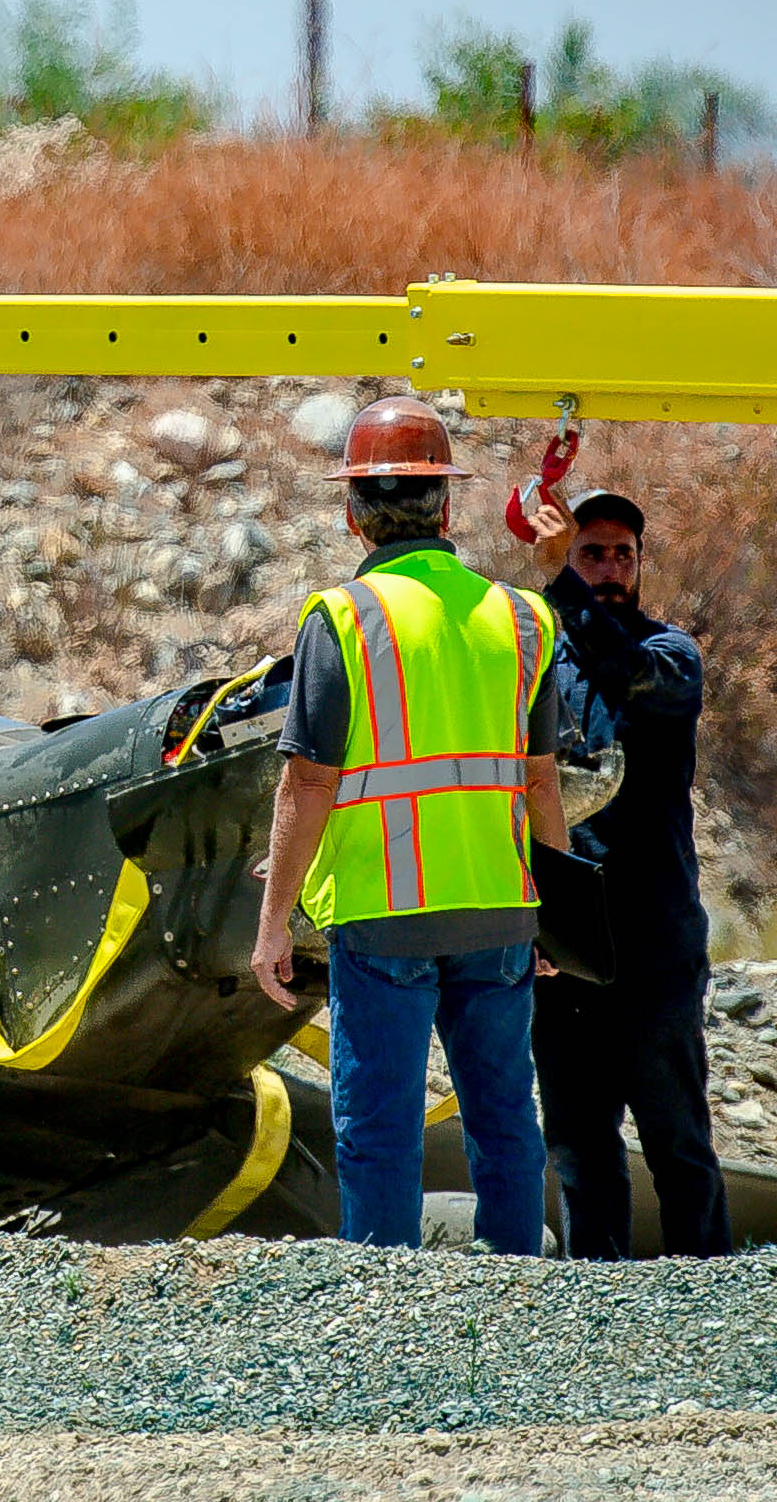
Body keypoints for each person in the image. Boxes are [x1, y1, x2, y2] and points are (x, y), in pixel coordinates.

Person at [249, 398, 571, 1256]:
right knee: (505, 1118)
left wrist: (273, 918)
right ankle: (518, 1294)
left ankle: (382, 1318)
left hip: (386, 915)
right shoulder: (526, 619)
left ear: (353, 514)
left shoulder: (343, 619)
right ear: (449, 508)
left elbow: (307, 784)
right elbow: (541, 781)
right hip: (501, 908)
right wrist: (562, 909)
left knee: (380, 1126)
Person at [525, 488, 733, 1257]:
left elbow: (621, 669)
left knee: (677, 1136)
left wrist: (561, 585)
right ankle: (596, 1309)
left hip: (655, 937)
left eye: (622, 554)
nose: (609, 568)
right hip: (567, 941)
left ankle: (708, 1286)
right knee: (578, 1144)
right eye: (590, 553)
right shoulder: (540, 665)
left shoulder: (670, 655)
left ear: (642, 564)